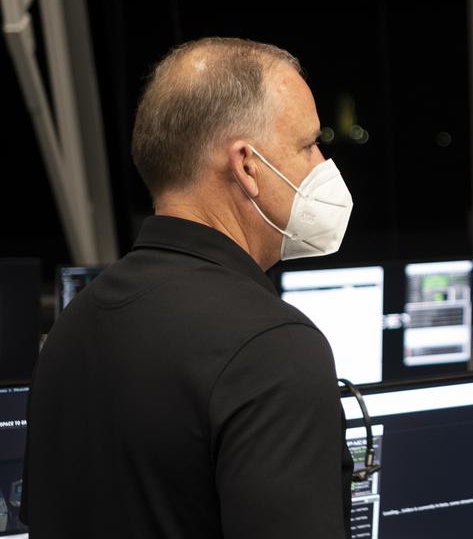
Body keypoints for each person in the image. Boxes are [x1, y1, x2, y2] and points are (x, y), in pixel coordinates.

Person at [23, 38, 355, 537]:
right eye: (307, 144)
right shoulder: (272, 349)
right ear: (247, 165)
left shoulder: (74, 325)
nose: (321, 165)